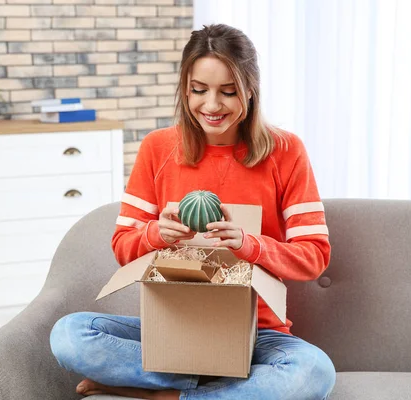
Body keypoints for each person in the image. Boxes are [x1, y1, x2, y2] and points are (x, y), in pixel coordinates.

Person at [50, 23, 336, 399]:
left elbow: (314, 256)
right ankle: (213, 388)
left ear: (250, 90)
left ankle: (165, 395)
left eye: (228, 92)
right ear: (185, 88)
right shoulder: (157, 148)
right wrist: (155, 234)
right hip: (173, 331)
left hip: (257, 336)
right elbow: (122, 245)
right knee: (69, 335)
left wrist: (251, 246)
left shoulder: (286, 151)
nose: (212, 106)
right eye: (198, 90)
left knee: (314, 372)